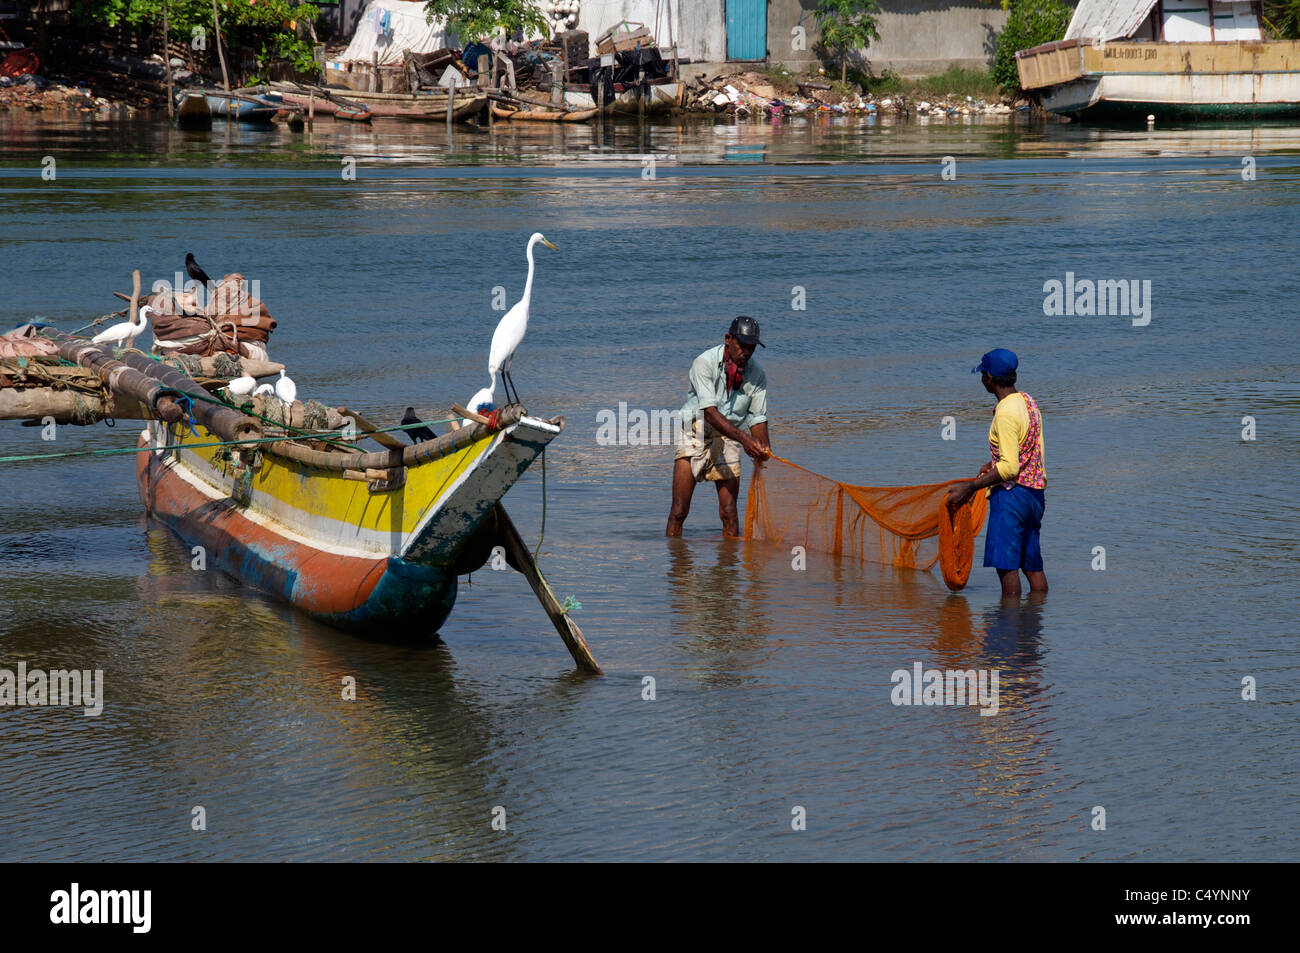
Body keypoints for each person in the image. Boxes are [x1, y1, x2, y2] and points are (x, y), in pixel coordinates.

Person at [946, 348, 1047, 598]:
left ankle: (1006, 632)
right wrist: (992, 465)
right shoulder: (1027, 401)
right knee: (1032, 566)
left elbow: (1010, 468)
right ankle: (1033, 629)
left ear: (989, 378)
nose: (981, 380)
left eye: (983, 375)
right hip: (1034, 496)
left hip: (1012, 498)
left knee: (1006, 569)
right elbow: (1027, 449)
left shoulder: (1005, 413)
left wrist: (970, 487)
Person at [667, 316, 772, 538]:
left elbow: (757, 418)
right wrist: (746, 441)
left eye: (751, 348)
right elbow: (710, 413)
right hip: (695, 432)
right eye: (741, 346)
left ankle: (729, 570)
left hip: (729, 437)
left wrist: (763, 449)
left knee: (729, 513)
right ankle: (677, 568)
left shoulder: (757, 375)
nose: (746, 352)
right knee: (679, 511)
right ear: (728, 339)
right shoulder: (704, 363)